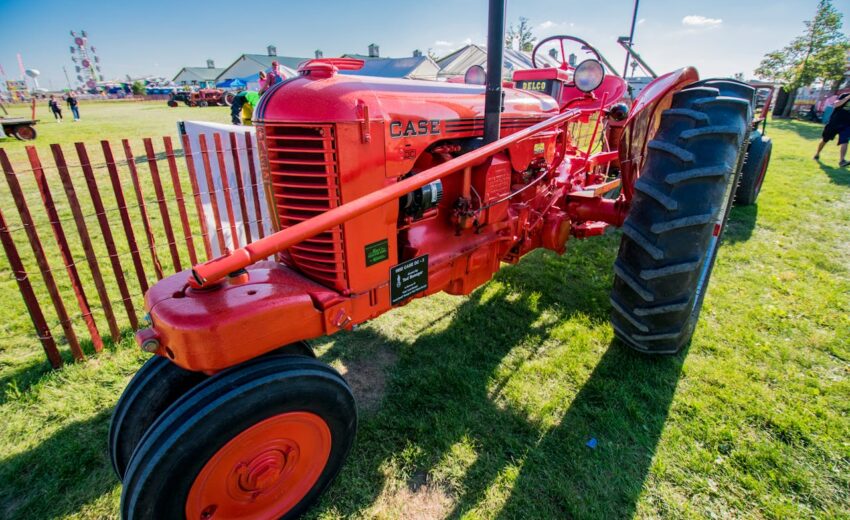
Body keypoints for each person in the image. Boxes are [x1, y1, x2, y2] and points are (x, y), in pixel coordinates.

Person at [815, 92, 850, 167]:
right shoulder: (844, 95)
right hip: (834, 123)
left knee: (845, 141)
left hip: (847, 124)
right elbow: (836, 105)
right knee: (825, 139)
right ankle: (817, 153)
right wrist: (848, 98)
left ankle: (842, 161)